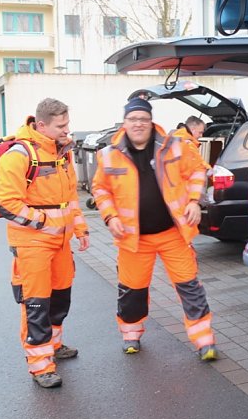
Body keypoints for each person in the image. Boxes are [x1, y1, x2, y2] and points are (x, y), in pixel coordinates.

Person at [91, 97, 218, 361]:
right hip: (132, 238)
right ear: (124, 123)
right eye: (133, 119)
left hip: (173, 234)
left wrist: (195, 201)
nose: (138, 124)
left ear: (151, 122)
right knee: (132, 290)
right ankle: (131, 335)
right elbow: (100, 189)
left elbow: (197, 171)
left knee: (189, 286)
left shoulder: (175, 147)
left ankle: (204, 340)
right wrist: (110, 216)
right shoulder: (107, 154)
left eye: (143, 119)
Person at [0, 98, 90, 389]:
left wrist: (80, 228)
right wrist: (47, 223)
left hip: (60, 241)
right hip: (32, 244)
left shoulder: (61, 152)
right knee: (36, 304)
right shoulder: (19, 154)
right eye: (60, 126)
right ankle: (40, 366)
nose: (66, 130)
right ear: (41, 125)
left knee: (60, 298)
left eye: (67, 124)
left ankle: (54, 347)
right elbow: (6, 204)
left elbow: (70, 197)